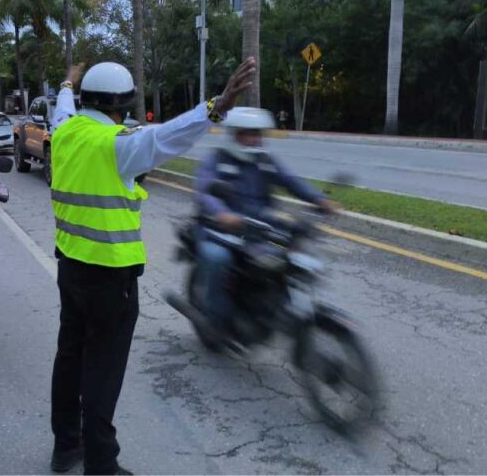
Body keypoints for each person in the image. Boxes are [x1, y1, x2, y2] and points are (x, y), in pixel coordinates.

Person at [48, 57, 257, 475]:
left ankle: (66, 448)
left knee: (69, 359)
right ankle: (102, 465)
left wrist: (67, 84)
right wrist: (215, 107)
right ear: (120, 106)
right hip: (111, 277)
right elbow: (166, 138)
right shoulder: (119, 144)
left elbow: (62, 107)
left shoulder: (66, 131)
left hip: (70, 267)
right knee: (102, 373)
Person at [194, 107, 338, 338]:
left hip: (258, 227)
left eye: (257, 134)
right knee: (217, 259)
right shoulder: (216, 160)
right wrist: (222, 214)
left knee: (292, 256)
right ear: (233, 134)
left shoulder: (264, 161)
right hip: (218, 229)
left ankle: (274, 309)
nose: (254, 139)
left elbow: (291, 180)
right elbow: (205, 192)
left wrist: (319, 199)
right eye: (247, 134)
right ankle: (214, 319)